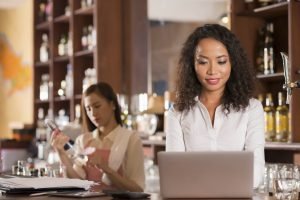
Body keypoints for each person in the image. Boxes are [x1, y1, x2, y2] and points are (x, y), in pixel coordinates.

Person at [166, 24, 265, 188]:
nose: (212, 71)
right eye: (203, 62)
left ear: (233, 62)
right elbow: (174, 171)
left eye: (221, 61)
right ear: (192, 65)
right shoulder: (177, 112)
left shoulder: (252, 109)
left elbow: (256, 172)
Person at [51, 82, 145, 192]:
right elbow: (76, 183)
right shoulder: (83, 140)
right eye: (88, 109)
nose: (93, 113)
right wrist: (61, 154)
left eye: (97, 106)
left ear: (113, 104)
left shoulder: (131, 139)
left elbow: (137, 189)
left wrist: (107, 169)